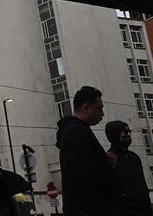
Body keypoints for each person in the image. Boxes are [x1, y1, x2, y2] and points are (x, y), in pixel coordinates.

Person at [55, 86, 114, 216]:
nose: (102, 114)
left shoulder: (74, 131)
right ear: (86, 107)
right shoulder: (77, 132)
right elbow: (82, 174)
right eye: (100, 108)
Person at [105, 121, 151, 216]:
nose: (128, 134)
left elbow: (142, 184)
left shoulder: (134, 157)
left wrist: (149, 206)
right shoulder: (109, 158)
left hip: (144, 210)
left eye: (129, 131)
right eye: (125, 132)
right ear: (114, 134)